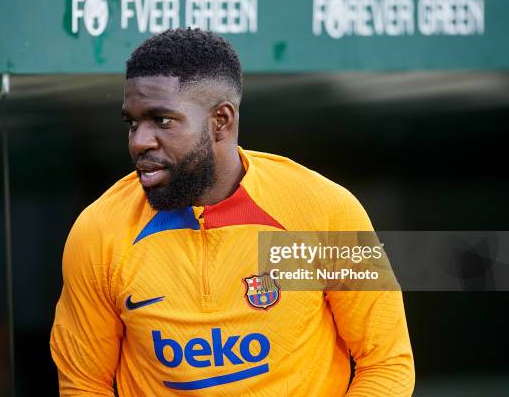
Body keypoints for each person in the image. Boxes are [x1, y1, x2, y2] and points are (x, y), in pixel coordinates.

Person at [50, 28, 415, 396]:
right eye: (132, 122)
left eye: (162, 120)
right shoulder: (98, 231)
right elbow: (83, 385)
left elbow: (385, 362)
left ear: (220, 120)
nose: (140, 141)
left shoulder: (325, 210)